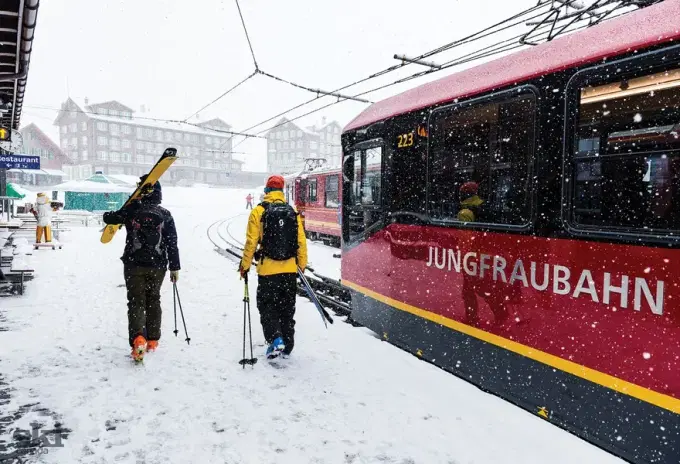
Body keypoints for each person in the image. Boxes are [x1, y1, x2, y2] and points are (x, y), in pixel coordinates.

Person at [102, 176, 180, 361]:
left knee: (136, 301)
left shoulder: (132, 211)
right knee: (154, 299)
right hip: (158, 266)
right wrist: (174, 267)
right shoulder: (165, 215)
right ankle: (153, 340)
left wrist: (129, 205)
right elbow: (172, 243)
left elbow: (109, 218)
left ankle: (138, 339)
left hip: (133, 264)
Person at [239, 175, 307, 359]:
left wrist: (244, 266)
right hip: (289, 271)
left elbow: (251, 242)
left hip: (268, 271)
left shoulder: (258, 211)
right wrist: (301, 265)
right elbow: (301, 241)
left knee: (268, 306)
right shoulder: (291, 211)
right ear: (282, 191)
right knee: (287, 308)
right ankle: (288, 343)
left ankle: (276, 339)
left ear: (266, 191)